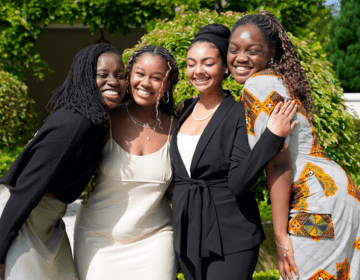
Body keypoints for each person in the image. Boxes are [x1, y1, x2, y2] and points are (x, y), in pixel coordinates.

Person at [228, 11, 360, 280]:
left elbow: (277, 161)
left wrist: (280, 236)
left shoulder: (258, 84)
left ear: (272, 52)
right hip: (338, 194)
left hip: (315, 202)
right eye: (233, 50)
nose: (240, 58)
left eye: (252, 50)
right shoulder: (278, 81)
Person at [170, 23, 298, 280]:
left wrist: (272, 137)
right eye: (191, 63)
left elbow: (241, 180)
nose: (198, 71)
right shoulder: (182, 111)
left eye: (208, 63)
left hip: (231, 235)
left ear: (225, 67)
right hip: (188, 233)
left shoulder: (240, 112)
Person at [0, 43, 126, 280]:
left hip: (48, 223)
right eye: (102, 74)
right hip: (21, 222)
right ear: (84, 78)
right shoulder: (75, 124)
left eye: (120, 76)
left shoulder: (91, 120)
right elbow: (23, 191)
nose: (113, 81)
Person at [74, 45, 179, 280]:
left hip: (155, 240)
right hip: (97, 239)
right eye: (140, 74)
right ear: (129, 74)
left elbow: (178, 191)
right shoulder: (104, 119)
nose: (145, 83)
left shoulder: (176, 129)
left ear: (168, 83)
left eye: (157, 78)